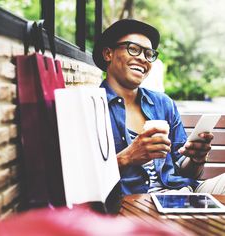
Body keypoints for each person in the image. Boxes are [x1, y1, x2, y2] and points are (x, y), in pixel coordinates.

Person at [92, 19, 225, 195]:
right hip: (134, 202)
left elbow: (185, 171)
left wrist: (196, 159)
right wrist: (128, 157)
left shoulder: (163, 103)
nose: (142, 58)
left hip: (181, 192)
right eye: (133, 49)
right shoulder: (91, 106)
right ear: (108, 53)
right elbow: (84, 179)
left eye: (148, 54)